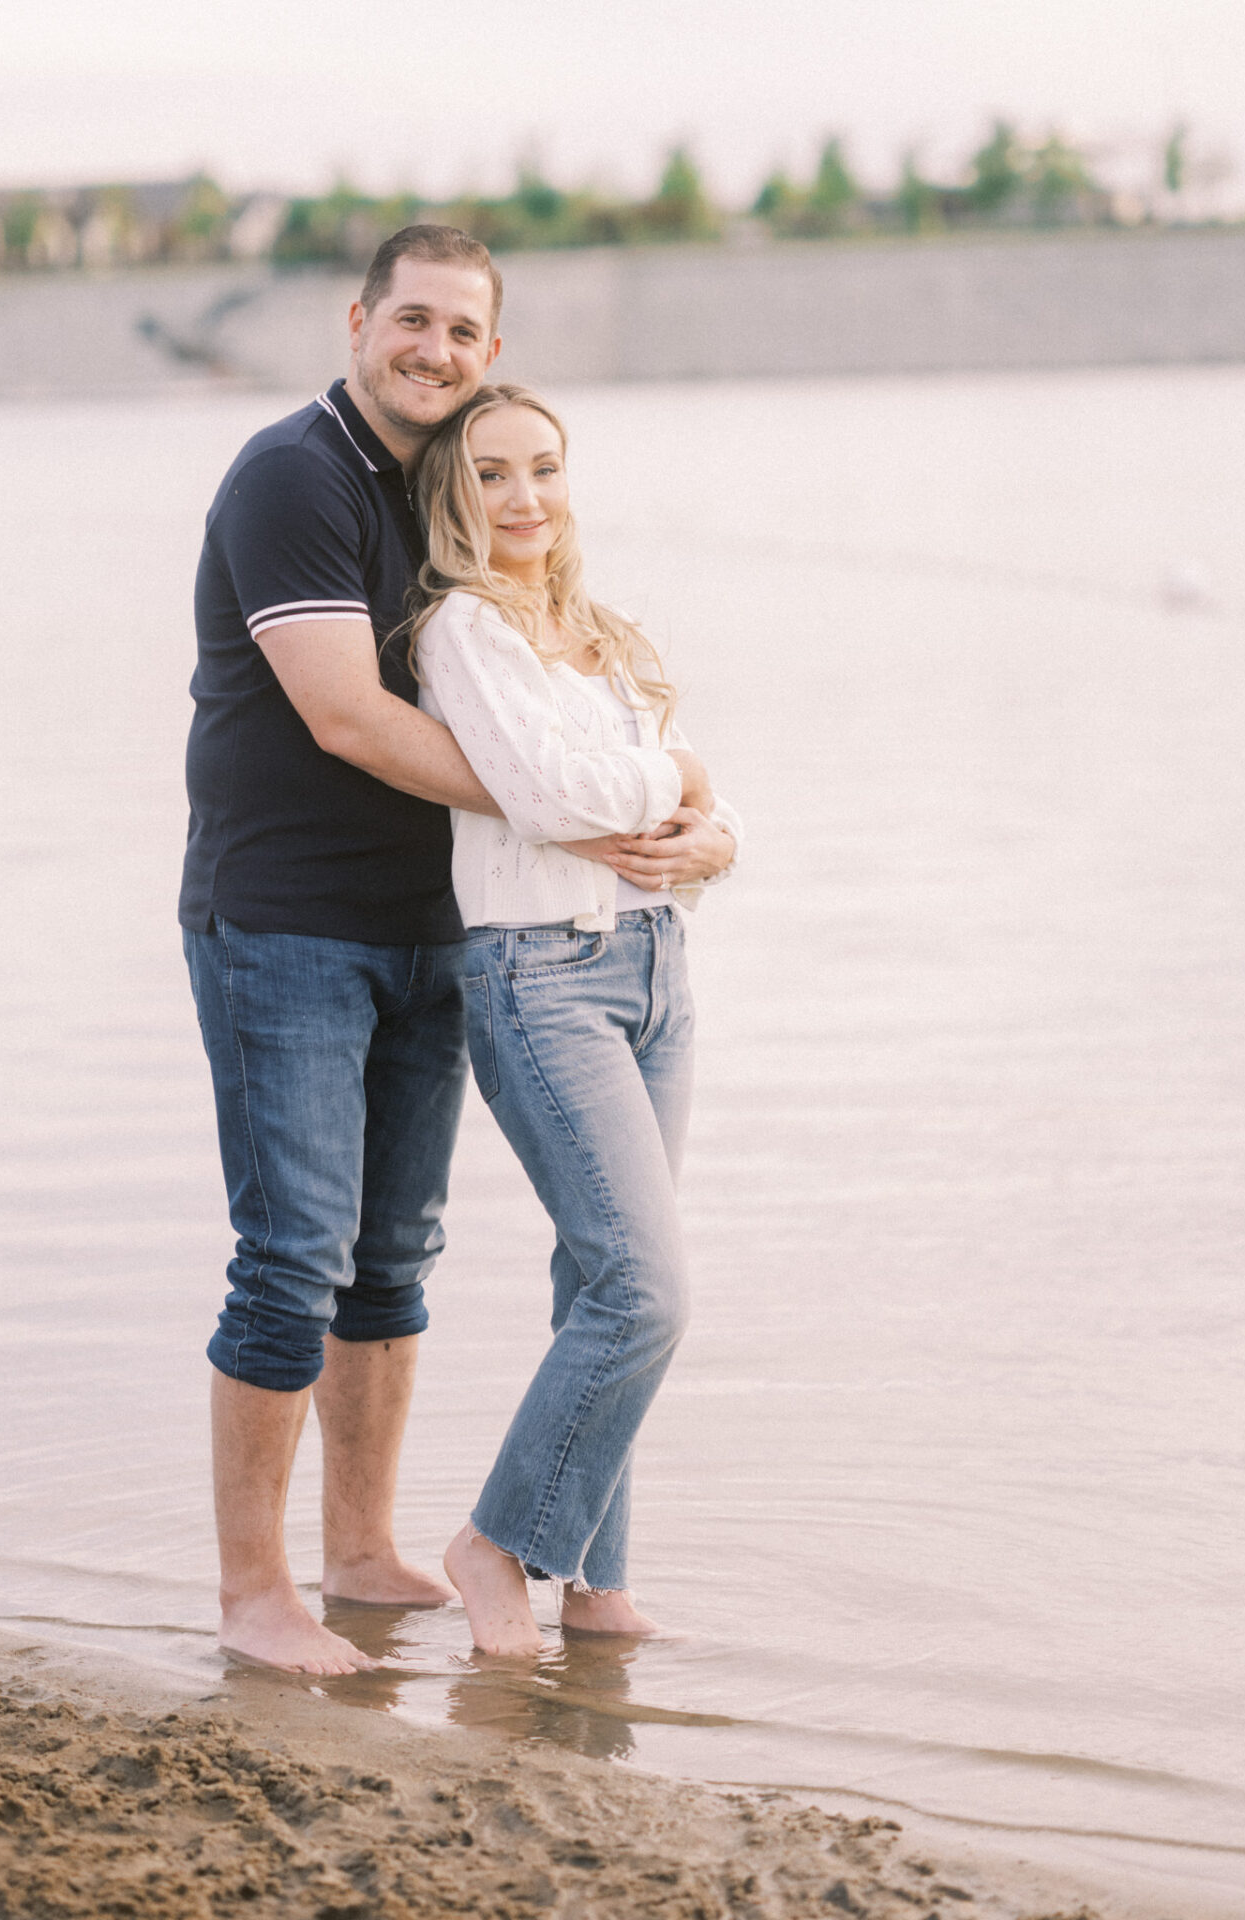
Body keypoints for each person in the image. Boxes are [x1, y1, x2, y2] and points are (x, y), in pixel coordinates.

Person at [180, 226, 506, 1675]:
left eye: (463, 334)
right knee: (290, 1258)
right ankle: (257, 1599)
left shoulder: (456, 478)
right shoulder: (290, 474)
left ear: (491, 356)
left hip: (430, 922)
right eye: (413, 321)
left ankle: (362, 1554)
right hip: (284, 922)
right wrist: (565, 807)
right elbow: (346, 716)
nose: (434, 351)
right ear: (359, 318)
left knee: (392, 1259)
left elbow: (537, 669)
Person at [408, 383, 742, 1657]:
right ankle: (496, 1545)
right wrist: (684, 782)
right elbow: (548, 794)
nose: (523, 498)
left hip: (659, 971)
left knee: (595, 1279)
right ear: (453, 494)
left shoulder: (597, 633)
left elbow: (706, 814)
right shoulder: (463, 633)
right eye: (491, 474)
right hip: (540, 976)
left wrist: (712, 823)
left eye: (543, 469)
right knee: (646, 1290)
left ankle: (594, 1581)